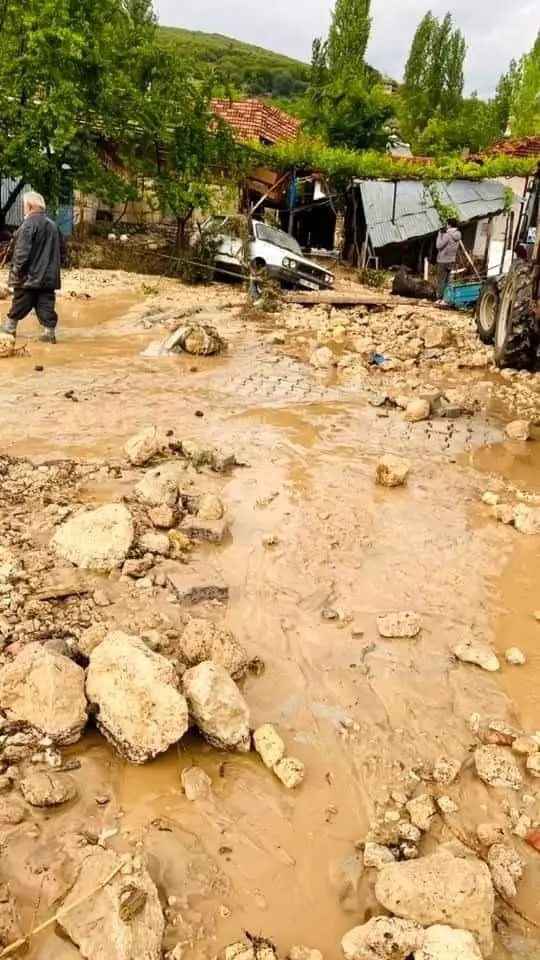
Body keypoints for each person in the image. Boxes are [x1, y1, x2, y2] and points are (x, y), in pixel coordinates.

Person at [1, 192, 64, 343]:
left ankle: (10, 328)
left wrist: (16, 271)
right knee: (46, 304)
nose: (23, 210)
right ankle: (49, 333)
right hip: (49, 276)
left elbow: (21, 253)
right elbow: (63, 252)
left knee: (21, 301)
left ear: (29, 206)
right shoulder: (54, 225)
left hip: (28, 276)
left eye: (24, 206)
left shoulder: (28, 225)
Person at [436, 218, 461, 304]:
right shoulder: (458, 234)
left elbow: (439, 246)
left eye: (447, 224)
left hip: (443, 260)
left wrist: (439, 234)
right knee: (447, 280)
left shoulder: (448, 235)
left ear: (449, 225)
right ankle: (445, 299)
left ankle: (439, 299)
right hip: (451, 260)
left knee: (441, 281)